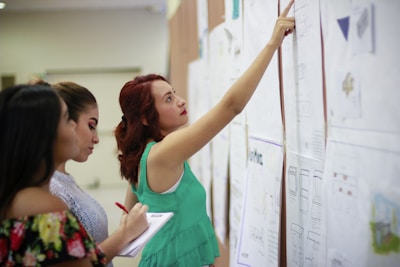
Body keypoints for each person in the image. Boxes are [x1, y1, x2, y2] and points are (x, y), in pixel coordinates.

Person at [114, 1, 296, 266]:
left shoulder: (144, 155)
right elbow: (231, 107)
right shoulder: (163, 152)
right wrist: (271, 45)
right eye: (167, 99)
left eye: (174, 92)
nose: (180, 101)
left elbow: (131, 214)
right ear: (144, 117)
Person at [0, 83, 105, 266]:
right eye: (66, 119)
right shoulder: (46, 208)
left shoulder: (17, 196)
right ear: (43, 135)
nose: (72, 125)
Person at [47, 81, 149, 266]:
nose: (96, 138)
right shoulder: (51, 188)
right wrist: (124, 234)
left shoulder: (64, 181)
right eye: (91, 125)